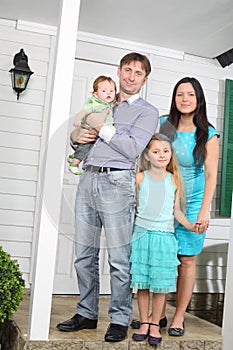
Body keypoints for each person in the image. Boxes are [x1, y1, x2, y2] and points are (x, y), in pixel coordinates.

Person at [56, 52, 159, 342]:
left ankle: (119, 318)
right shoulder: (102, 103)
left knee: (118, 258)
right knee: (84, 255)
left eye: (138, 73)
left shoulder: (147, 112)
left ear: (144, 80)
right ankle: (87, 312)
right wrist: (77, 135)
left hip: (117, 183)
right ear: (119, 71)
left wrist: (101, 128)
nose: (130, 76)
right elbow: (79, 136)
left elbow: (131, 149)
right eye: (127, 70)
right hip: (88, 178)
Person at [159, 77, 220, 336]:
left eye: (190, 95)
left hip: (193, 202)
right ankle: (158, 315)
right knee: (161, 258)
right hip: (163, 199)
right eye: (180, 94)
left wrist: (204, 210)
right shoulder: (166, 125)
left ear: (199, 99)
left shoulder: (208, 133)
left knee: (186, 259)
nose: (184, 99)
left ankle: (179, 317)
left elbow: (210, 175)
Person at [130, 133, 200, 345]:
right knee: (142, 284)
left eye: (165, 151)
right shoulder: (140, 178)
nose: (161, 155)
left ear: (171, 154)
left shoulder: (174, 179)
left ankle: (154, 325)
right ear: (147, 155)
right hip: (142, 236)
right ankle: (143, 322)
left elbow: (176, 212)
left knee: (160, 286)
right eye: (156, 151)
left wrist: (191, 225)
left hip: (164, 238)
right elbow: (134, 207)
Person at [67, 75, 116, 175]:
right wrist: (78, 118)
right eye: (104, 91)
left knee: (93, 148)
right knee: (86, 147)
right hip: (89, 132)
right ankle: (74, 165)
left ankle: (73, 156)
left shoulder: (107, 103)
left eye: (111, 91)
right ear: (96, 94)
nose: (108, 93)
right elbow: (84, 111)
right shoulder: (95, 104)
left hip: (98, 133)